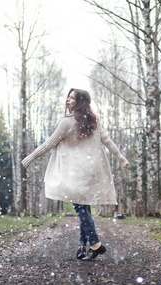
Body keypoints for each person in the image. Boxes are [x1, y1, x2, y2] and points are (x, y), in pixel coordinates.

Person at [21, 88, 129, 260]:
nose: (68, 100)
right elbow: (107, 141)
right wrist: (121, 158)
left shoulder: (67, 123)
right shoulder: (94, 121)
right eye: (68, 97)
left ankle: (95, 244)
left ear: (80, 103)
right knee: (84, 206)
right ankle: (82, 247)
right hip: (91, 169)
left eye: (72, 98)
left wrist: (30, 157)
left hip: (77, 172)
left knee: (80, 208)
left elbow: (49, 143)